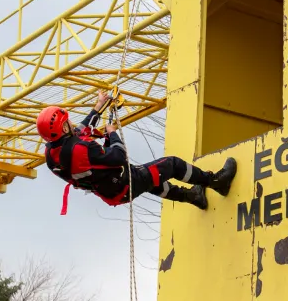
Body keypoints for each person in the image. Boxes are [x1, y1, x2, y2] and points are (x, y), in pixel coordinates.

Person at [37, 91, 237, 212]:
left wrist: (98, 107)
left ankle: (194, 197)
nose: (72, 123)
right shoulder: (83, 149)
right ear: (64, 129)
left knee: (151, 180)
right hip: (124, 183)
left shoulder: (52, 156)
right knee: (171, 165)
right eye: (67, 122)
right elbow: (119, 157)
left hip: (110, 191)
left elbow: (80, 130)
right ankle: (216, 181)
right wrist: (112, 134)